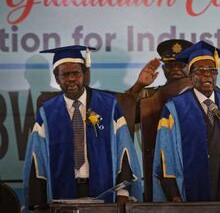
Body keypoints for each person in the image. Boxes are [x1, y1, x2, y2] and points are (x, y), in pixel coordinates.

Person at [22, 45, 143, 212]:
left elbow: (124, 150)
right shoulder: (47, 113)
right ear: (57, 79)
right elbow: (37, 159)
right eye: (65, 74)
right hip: (62, 192)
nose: (71, 79)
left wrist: (123, 193)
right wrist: (38, 202)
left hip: (104, 190)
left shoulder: (109, 105)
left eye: (76, 73)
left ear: (84, 75)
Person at [152, 40, 220, 202]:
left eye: (212, 70)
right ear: (191, 76)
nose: (207, 74)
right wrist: (174, 195)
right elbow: (166, 157)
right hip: (191, 190)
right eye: (200, 70)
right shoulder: (175, 108)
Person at [125, 39, 193, 103]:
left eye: (181, 65)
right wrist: (139, 84)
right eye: (170, 65)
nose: (175, 69)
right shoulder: (151, 94)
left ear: (191, 68)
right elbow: (123, 105)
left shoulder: (200, 93)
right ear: (163, 68)